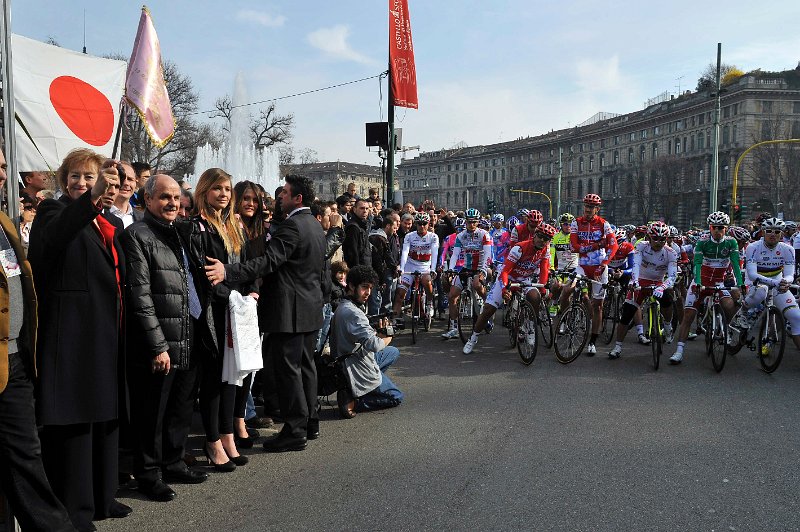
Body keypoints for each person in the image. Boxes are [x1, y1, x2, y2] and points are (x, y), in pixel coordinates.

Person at [28, 148, 130, 531]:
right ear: (63, 180)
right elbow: (55, 239)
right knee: (73, 426)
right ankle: (74, 512)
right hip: (70, 336)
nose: (83, 183)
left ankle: (101, 497)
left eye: (90, 177)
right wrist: (90, 200)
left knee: (101, 419)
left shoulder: (104, 221)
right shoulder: (54, 213)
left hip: (102, 333)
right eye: (76, 177)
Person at [205, 175, 326, 452]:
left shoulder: (292, 226)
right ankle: (308, 422)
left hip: (290, 311)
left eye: (284, 193)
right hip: (308, 309)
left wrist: (228, 270)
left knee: (290, 372)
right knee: (306, 368)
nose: (278, 197)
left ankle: (295, 430)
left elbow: (268, 262)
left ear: (297, 198)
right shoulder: (314, 225)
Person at [120, 175, 209, 502]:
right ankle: (149, 473)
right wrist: (158, 345)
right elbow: (140, 296)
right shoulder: (137, 235)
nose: (172, 203)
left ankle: (173, 462)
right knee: (152, 411)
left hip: (190, 331)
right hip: (160, 340)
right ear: (147, 200)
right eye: (164, 197)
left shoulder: (180, 232)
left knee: (181, 406)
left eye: (176, 197)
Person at [0, 149, 76, 532]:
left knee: (25, 455)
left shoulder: (3, 221)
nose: (1, 174)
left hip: (15, 358)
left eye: (2, 166)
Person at [190, 168, 252, 471]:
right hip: (213, 312)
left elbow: (243, 266)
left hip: (234, 309)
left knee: (233, 376)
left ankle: (228, 435)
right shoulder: (197, 227)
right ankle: (212, 440)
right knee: (214, 378)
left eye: (227, 189)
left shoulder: (233, 226)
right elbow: (205, 274)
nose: (224, 194)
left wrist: (246, 292)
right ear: (204, 191)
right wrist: (230, 291)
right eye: (217, 188)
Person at [463, 223, 556, 354]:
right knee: (489, 309)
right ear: (535, 235)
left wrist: (542, 289)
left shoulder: (545, 250)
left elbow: (544, 271)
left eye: (546, 239)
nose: (542, 240)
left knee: (535, 297)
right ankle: (472, 339)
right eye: (540, 236)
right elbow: (505, 271)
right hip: (508, 277)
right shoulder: (520, 248)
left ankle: (529, 327)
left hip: (524, 279)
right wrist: (504, 289)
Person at [670, 211, 743, 364]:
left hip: (719, 282)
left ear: (726, 228)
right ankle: (679, 350)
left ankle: (724, 327)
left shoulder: (731, 243)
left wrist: (741, 284)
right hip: (701, 281)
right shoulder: (702, 242)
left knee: (729, 306)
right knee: (688, 315)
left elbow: (735, 264)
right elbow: (697, 264)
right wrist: (697, 283)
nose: (717, 230)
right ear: (710, 228)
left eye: (720, 227)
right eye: (714, 227)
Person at [330, 265, 403, 418]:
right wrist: (387, 335)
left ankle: (364, 388)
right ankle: (353, 402)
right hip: (355, 365)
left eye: (370, 288)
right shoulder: (353, 313)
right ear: (351, 286)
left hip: (350, 357)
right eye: (364, 288)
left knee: (393, 352)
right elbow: (375, 345)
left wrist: (377, 332)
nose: (368, 293)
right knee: (396, 397)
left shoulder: (345, 305)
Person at [608, 222, 678, 359]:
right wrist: (634, 281)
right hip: (640, 280)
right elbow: (636, 264)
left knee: (668, 299)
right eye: (655, 238)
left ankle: (668, 326)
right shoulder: (641, 246)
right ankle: (617, 346)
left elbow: (672, 276)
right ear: (648, 237)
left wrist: (663, 286)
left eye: (663, 239)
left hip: (658, 282)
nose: (659, 242)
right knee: (626, 314)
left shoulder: (671, 253)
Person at [559, 193, 618, 356]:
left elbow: (613, 246)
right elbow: (574, 246)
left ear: (597, 209)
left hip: (599, 266)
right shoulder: (576, 223)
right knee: (567, 290)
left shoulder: (604, 224)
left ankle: (592, 341)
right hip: (582, 266)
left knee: (597, 305)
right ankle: (565, 319)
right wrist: (597, 245)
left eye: (591, 207)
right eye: (586, 205)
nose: (588, 209)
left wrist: (604, 264)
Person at [731, 218, 800, 349]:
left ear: (781, 234)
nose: (773, 234)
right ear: (763, 232)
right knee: (761, 292)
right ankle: (744, 311)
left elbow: (790, 274)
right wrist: (776, 282)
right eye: (769, 231)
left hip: (777, 283)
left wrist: (787, 282)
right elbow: (752, 274)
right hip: (756, 281)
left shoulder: (788, 249)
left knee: (796, 316)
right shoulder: (753, 247)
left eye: (777, 231)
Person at [442, 208, 492, 339]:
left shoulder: (484, 235)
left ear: (478, 222)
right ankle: (454, 328)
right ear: (465, 222)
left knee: (477, 285)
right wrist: (452, 269)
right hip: (466, 267)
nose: (471, 224)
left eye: (474, 222)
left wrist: (483, 270)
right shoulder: (461, 235)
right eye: (469, 222)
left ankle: (488, 307)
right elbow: (455, 254)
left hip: (480, 266)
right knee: (452, 295)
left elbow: (488, 254)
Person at [393, 212, 439, 329]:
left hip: (425, 266)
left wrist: (433, 269)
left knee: (426, 281)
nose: (422, 226)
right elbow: (404, 252)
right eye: (419, 224)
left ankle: (429, 302)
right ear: (416, 224)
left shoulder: (433, 237)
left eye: (424, 224)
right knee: (400, 294)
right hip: (410, 266)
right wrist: (402, 268)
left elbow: (434, 253)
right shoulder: (410, 236)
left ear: (428, 224)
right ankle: (395, 320)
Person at [108, 161, 143, 228]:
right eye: (121, 178)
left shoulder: (143, 219)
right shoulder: (98, 214)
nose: (126, 183)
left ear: (135, 183)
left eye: (130, 179)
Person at [342, 198, 372, 271]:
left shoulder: (364, 225)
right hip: (358, 270)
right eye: (362, 208)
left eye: (367, 208)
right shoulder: (353, 227)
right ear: (354, 209)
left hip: (365, 266)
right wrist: (357, 270)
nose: (365, 211)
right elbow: (352, 252)